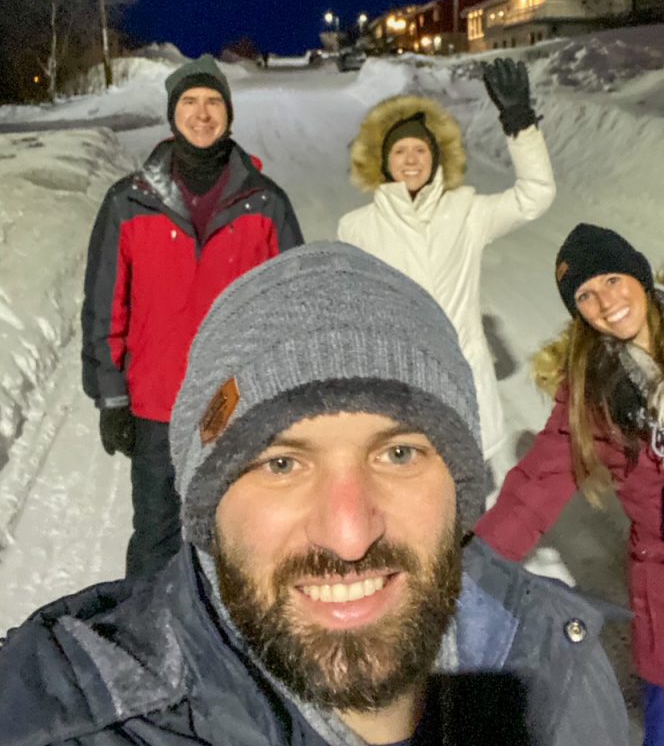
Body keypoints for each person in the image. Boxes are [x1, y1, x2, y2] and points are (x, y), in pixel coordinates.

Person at [2, 243, 630, 746]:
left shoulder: (559, 667)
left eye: (399, 454)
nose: (349, 533)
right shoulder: (72, 721)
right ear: (206, 506)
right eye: (281, 463)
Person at [476, 223, 664, 746]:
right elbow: (537, 483)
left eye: (612, 279)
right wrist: (474, 569)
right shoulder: (595, 393)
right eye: (585, 296)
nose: (605, 302)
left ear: (639, 275)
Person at [81, 53, 303, 579]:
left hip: (233, 401)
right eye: (189, 102)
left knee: (235, 532)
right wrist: (111, 396)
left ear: (228, 114)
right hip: (156, 404)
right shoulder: (130, 203)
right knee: (157, 534)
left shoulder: (264, 204)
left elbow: (293, 305)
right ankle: (150, 642)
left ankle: (229, 645)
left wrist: (288, 393)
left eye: (212, 103)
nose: (202, 114)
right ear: (172, 113)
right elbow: (105, 304)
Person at [337, 57, 556, 486]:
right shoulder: (357, 228)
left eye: (421, 149)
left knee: (462, 516)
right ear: (383, 161)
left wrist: (520, 123)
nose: (412, 159)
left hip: (464, 392)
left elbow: (535, 196)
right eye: (400, 151)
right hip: (397, 393)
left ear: (437, 158)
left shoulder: (467, 211)